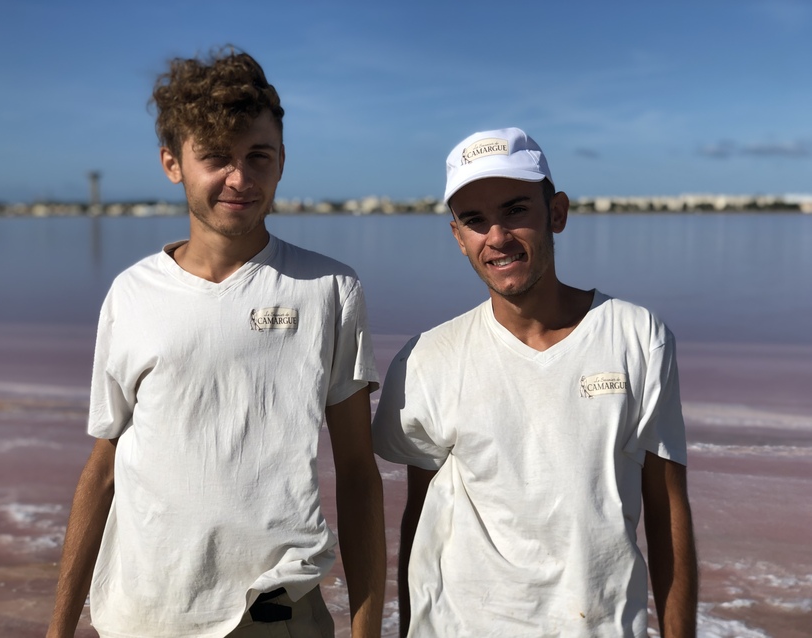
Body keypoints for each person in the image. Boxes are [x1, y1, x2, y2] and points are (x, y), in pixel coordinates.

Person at [47, 46, 386, 638]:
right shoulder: (132, 294)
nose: (240, 178)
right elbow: (103, 469)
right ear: (172, 163)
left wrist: (365, 630)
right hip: (146, 611)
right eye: (215, 158)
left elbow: (358, 474)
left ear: (282, 161)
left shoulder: (329, 289)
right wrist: (58, 629)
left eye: (258, 157)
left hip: (277, 609)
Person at [372, 128, 697, 637]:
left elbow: (667, 508)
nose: (497, 237)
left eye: (516, 210)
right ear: (459, 238)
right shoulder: (428, 359)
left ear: (558, 213)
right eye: (476, 221)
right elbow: (420, 518)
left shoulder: (637, 336)